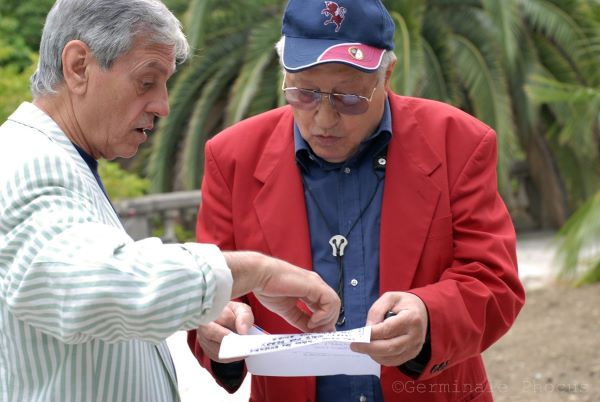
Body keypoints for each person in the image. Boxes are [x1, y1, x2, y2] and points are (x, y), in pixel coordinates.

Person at [0, 1, 342, 401]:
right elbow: (101, 287)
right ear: (78, 66)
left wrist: (201, 306)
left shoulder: (62, 160)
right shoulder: (31, 165)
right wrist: (255, 271)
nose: (162, 106)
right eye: (147, 82)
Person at [188, 0, 526, 401]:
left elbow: (494, 280)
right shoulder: (233, 157)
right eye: (304, 93)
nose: (325, 119)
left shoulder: (459, 143)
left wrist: (430, 316)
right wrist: (215, 326)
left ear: (388, 75)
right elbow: (209, 291)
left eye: (349, 98)